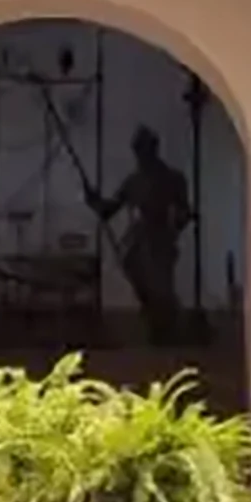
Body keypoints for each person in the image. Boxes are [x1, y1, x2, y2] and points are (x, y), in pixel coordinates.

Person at [92, 125, 194, 342]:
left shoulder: (172, 178)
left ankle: (168, 329)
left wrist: (174, 229)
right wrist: (94, 201)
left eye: (143, 149)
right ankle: (155, 322)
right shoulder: (133, 180)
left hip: (161, 235)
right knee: (137, 275)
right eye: (138, 150)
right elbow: (110, 209)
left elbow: (184, 209)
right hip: (139, 236)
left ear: (153, 149)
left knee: (161, 286)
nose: (140, 155)